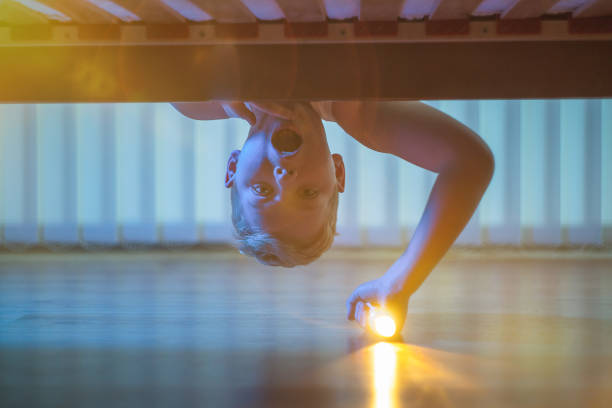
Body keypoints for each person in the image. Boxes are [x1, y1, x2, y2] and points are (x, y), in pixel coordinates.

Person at [171, 100, 494, 335]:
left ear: (233, 168)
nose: (285, 177)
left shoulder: (200, 100)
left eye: (263, 190)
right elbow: (471, 161)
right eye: (308, 193)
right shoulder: (357, 109)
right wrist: (400, 284)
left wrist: (228, 80)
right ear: (337, 171)